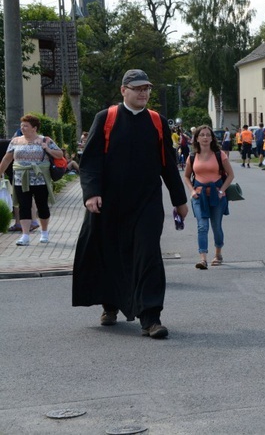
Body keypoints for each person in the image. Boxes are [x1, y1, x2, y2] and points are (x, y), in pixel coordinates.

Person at [72, 68, 188, 339]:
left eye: (146, 88)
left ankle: (151, 318)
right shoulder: (107, 118)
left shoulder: (158, 121)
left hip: (146, 203)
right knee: (109, 253)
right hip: (110, 204)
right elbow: (90, 163)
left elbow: (168, 165)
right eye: (138, 89)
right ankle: (110, 306)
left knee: (148, 255)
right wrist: (91, 193)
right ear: (124, 91)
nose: (144, 93)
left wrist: (179, 200)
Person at [0, 114, 64, 245]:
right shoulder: (15, 141)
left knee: (42, 206)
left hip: (40, 179)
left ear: (34, 128)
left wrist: (48, 149)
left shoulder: (45, 140)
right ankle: (25, 236)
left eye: (26, 126)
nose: (22, 128)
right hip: (20, 179)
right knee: (24, 206)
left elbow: (60, 154)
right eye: (22, 125)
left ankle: (44, 233)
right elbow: (7, 159)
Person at [183, 125, 234, 270]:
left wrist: (221, 191)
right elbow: (186, 176)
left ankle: (218, 254)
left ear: (212, 138)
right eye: (202, 135)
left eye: (208, 135)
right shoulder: (192, 157)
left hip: (217, 196)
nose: (205, 138)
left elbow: (230, 175)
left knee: (216, 226)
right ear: (197, 138)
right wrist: (192, 191)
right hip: (199, 196)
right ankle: (203, 258)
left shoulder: (219, 155)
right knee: (202, 226)